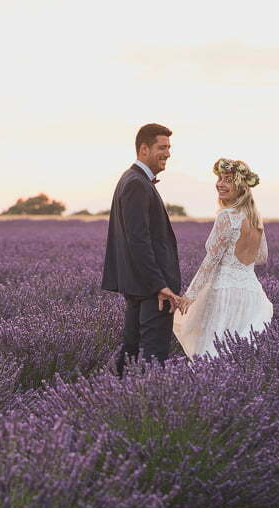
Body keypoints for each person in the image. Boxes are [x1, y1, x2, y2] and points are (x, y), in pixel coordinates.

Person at [101, 123, 182, 378]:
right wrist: (160, 285)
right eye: (162, 147)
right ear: (144, 149)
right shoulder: (137, 183)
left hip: (137, 286)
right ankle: (146, 405)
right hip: (150, 289)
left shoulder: (132, 179)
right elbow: (138, 240)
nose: (168, 153)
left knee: (132, 352)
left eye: (169, 148)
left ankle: (116, 400)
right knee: (153, 356)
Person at [173, 158, 273, 361]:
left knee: (212, 352)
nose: (220, 184)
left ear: (240, 186)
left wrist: (190, 295)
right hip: (252, 294)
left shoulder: (227, 216)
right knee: (240, 357)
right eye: (220, 178)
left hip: (224, 293)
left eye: (228, 180)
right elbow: (262, 257)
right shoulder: (255, 217)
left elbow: (211, 260)